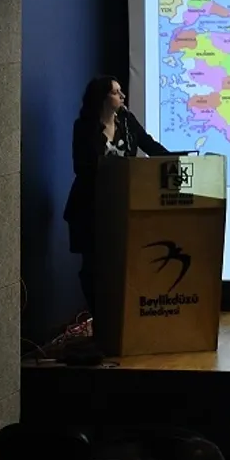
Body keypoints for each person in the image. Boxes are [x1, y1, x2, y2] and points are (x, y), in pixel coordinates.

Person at [63, 75, 170, 315]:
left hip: (122, 206)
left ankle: (121, 319)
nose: (122, 96)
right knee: (93, 268)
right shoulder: (84, 127)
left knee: (122, 265)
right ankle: (100, 319)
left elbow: (149, 145)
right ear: (101, 98)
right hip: (90, 208)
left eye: (121, 91)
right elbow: (81, 167)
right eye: (115, 92)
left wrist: (178, 160)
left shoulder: (127, 121)